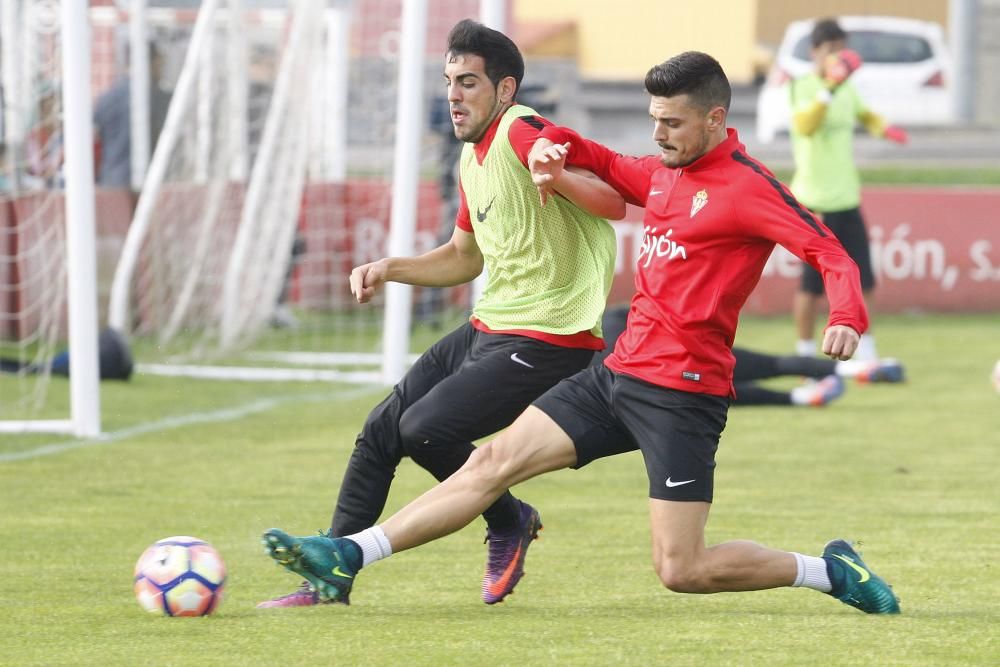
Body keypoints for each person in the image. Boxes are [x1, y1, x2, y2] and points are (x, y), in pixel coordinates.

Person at [262, 51, 900, 615]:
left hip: (683, 394)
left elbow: (832, 252)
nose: (659, 134)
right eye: (654, 120)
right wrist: (551, 147)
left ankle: (827, 572)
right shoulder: (664, 172)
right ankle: (348, 552)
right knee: (490, 463)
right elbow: (599, 157)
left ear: (714, 119)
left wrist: (846, 315)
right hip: (615, 375)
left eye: (672, 123)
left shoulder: (748, 187)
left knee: (683, 569)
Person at [257, 19, 622, 608]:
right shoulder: (472, 159)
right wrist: (389, 268)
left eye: (468, 82)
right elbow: (462, 257)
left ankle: (507, 519)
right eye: (449, 81)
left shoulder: (523, 130)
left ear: (504, 90)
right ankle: (330, 575)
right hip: (491, 327)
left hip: (551, 337)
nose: (453, 94)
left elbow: (613, 202)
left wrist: (557, 173)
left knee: (426, 429)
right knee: (381, 430)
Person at [788, 18, 907, 366]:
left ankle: (865, 350)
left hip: (847, 197)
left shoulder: (847, 89)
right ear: (815, 52)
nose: (837, 57)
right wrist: (830, 87)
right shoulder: (803, 86)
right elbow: (805, 126)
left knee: (864, 276)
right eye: (830, 50)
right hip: (815, 200)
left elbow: (866, 115)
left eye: (841, 50)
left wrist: (886, 129)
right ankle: (805, 355)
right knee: (811, 286)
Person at [596, 304, 903, 408]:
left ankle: (800, 398)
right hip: (690, 351)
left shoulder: (594, 366)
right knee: (772, 365)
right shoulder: (611, 320)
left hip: (662, 383)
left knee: (724, 396)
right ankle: (858, 369)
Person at [93, 44, 169, 189]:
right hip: (149, 184)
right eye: (160, 66)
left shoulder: (106, 99)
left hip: (111, 181)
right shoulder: (159, 98)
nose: (161, 72)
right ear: (151, 63)